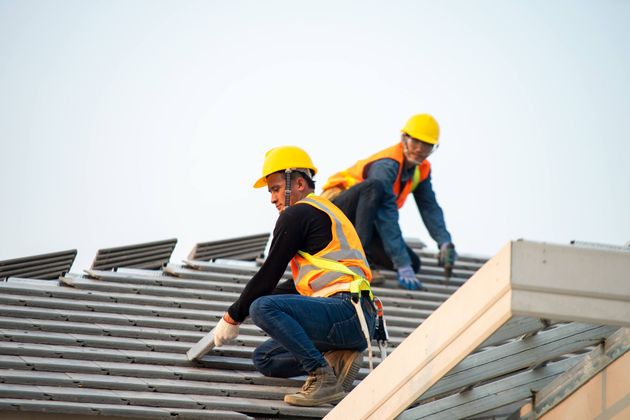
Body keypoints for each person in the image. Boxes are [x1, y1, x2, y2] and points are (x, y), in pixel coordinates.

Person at [212, 145, 377, 407]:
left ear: (298, 183)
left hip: (346, 310)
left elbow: (269, 274)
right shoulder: (323, 211)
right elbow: (290, 288)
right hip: (354, 317)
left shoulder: (297, 213)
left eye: (276, 189)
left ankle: (322, 377)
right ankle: (339, 357)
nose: (272, 199)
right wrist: (242, 310)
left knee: (262, 307)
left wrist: (233, 315)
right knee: (265, 358)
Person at [320, 113, 457, 291]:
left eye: (426, 145)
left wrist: (445, 241)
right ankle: (359, 262)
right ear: (404, 139)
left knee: (413, 264)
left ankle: (357, 256)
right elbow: (386, 215)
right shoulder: (387, 165)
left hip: (360, 225)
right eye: (415, 142)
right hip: (332, 217)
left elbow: (429, 208)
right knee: (373, 187)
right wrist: (401, 263)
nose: (419, 149)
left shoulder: (421, 169)